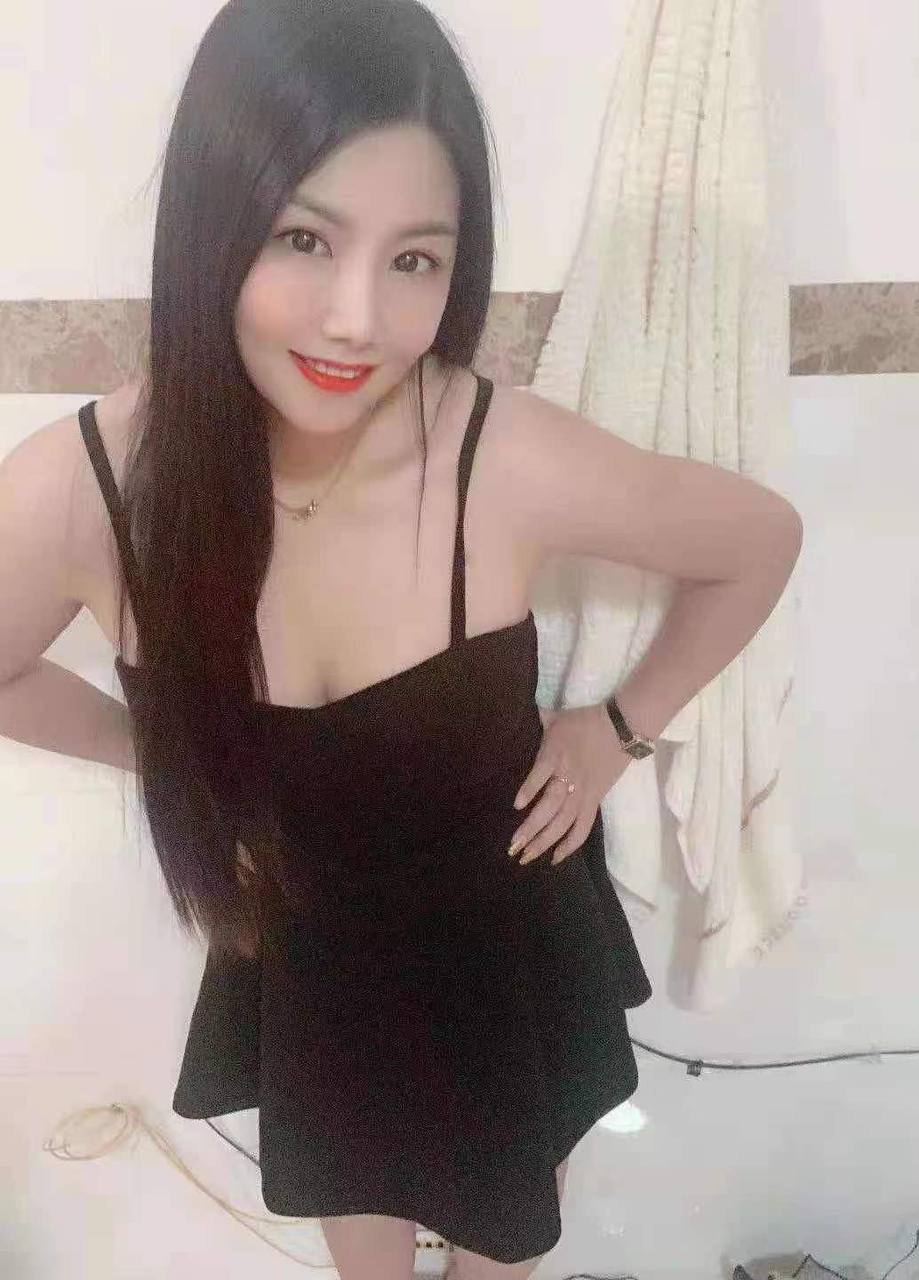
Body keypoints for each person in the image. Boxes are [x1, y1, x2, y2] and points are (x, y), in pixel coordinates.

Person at [0, 1, 801, 1277]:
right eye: (303, 237)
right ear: (212, 220)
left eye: (415, 260)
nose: (356, 320)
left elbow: (757, 539)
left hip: (503, 945)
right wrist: (169, 754)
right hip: (310, 953)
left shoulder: (502, 456)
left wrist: (617, 729)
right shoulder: (85, 490)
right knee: (357, 1226)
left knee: (500, 1241)